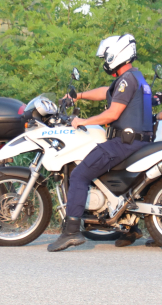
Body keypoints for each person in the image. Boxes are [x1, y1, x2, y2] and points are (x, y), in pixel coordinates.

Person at [47, 34, 153, 252]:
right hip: (138, 142)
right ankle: (129, 228)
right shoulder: (135, 77)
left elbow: (112, 113)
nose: (105, 60)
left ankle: (72, 231)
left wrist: (82, 121)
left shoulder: (126, 79)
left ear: (116, 54)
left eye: (106, 56)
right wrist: (79, 96)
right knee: (108, 179)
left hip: (124, 143)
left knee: (79, 175)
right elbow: (107, 92)